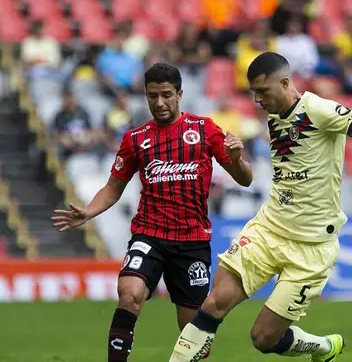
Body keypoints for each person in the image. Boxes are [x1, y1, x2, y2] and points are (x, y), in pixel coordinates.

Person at [168, 52, 352, 362]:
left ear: (285, 82)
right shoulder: (274, 113)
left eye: (263, 91)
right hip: (269, 229)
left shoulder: (318, 110)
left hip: (311, 248)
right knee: (215, 303)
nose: (257, 100)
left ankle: (323, 348)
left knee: (263, 338)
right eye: (253, 93)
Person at [50, 63, 253, 362]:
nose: (159, 103)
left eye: (166, 95)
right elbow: (113, 187)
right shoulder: (135, 139)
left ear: (180, 94)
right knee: (129, 293)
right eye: (152, 96)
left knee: (193, 335)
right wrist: (89, 211)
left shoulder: (204, 129)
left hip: (192, 241)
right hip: (150, 235)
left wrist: (236, 159)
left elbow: (245, 178)